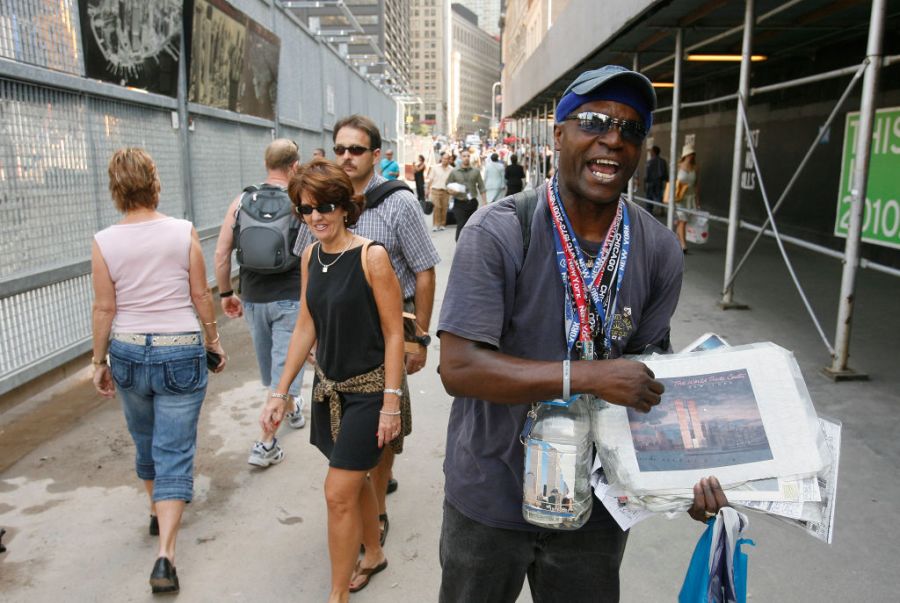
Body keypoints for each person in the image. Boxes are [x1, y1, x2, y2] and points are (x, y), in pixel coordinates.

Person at [436, 65, 728, 602]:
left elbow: (648, 382)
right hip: (491, 496)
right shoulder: (500, 231)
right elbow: (459, 367)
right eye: (593, 122)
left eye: (631, 128)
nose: (613, 139)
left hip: (596, 507)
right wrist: (589, 376)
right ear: (558, 135)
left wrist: (686, 478)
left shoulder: (659, 249)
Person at [293, 114, 440, 557]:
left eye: (355, 150)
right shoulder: (317, 200)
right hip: (339, 339)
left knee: (382, 427)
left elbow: (424, 270)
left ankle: (376, 512)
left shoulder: (398, 203)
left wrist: (419, 337)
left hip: (386, 336)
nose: (346, 156)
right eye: (339, 148)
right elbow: (311, 270)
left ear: (376, 155)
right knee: (347, 437)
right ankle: (363, 492)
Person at [262, 159, 404, 601]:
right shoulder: (310, 255)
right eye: (305, 209)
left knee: (337, 492)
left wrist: (391, 403)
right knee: (354, 480)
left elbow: (394, 333)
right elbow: (306, 324)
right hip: (329, 390)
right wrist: (281, 392)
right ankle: (373, 552)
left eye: (324, 206)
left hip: (370, 393)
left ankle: (337, 594)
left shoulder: (371, 256)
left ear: (344, 206)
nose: (316, 216)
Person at [91, 148, 226, 595]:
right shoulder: (182, 231)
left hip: (128, 351)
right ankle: (165, 555)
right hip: (180, 351)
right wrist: (213, 340)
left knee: (145, 439)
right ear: (154, 182)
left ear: (115, 188)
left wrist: (99, 361)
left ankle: (156, 509)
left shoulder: (104, 241)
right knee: (175, 449)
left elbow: (104, 308)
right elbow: (200, 295)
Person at [214, 139, 307, 469]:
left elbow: (222, 253)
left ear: (266, 164)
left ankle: (291, 407)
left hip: (253, 297)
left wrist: (226, 293)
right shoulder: (299, 202)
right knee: (282, 369)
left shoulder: (242, 201)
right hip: (291, 297)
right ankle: (265, 444)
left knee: (274, 370)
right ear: (295, 166)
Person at [446, 150, 487, 241]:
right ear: (461, 158)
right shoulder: (454, 171)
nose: (466, 158)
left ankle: (470, 244)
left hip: (472, 202)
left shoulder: (476, 171)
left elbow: (481, 187)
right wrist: (451, 192)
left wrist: (485, 202)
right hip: (459, 203)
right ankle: (459, 245)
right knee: (461, 224)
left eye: (468, 156)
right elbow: (448, 185)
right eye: (464, 156)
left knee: (472, 225)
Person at [675, 144, 700, 253]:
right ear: (685, 155)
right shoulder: (678, 166)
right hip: (679, 198)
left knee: (683, 220)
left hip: (690, 197)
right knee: (683, 220)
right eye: (690, 154)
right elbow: (673, 182)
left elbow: (697, 185)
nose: (691, 156)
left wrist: (697, 200)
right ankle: (683, 245)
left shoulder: (695, 168)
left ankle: (676, 239)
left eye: (693, 154)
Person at [428, 152, 453, 231]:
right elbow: (430, 179)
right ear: (441, 159)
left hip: (446, 191)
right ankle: (435, 224)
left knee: (444, 208)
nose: (445, 160)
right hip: (435, 190)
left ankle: (442, 224)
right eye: (444, 158)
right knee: (436, 207)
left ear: (449, 160)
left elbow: (452, 181)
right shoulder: (435, 168)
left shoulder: (451, 169)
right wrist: (427, 190)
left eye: (447, 159)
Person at [644, 145, 668, 213]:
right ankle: (661, 209)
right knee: (659, 196)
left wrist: (645, 182)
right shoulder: (663, 161)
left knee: (649, 197)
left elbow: (647, 174)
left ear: (654, 152)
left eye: (651, 151)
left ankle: (649, 211)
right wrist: (667, 180)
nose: (650, 153)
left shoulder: (649, 162)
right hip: (659, 182)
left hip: (651, 182)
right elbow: (665, 173)